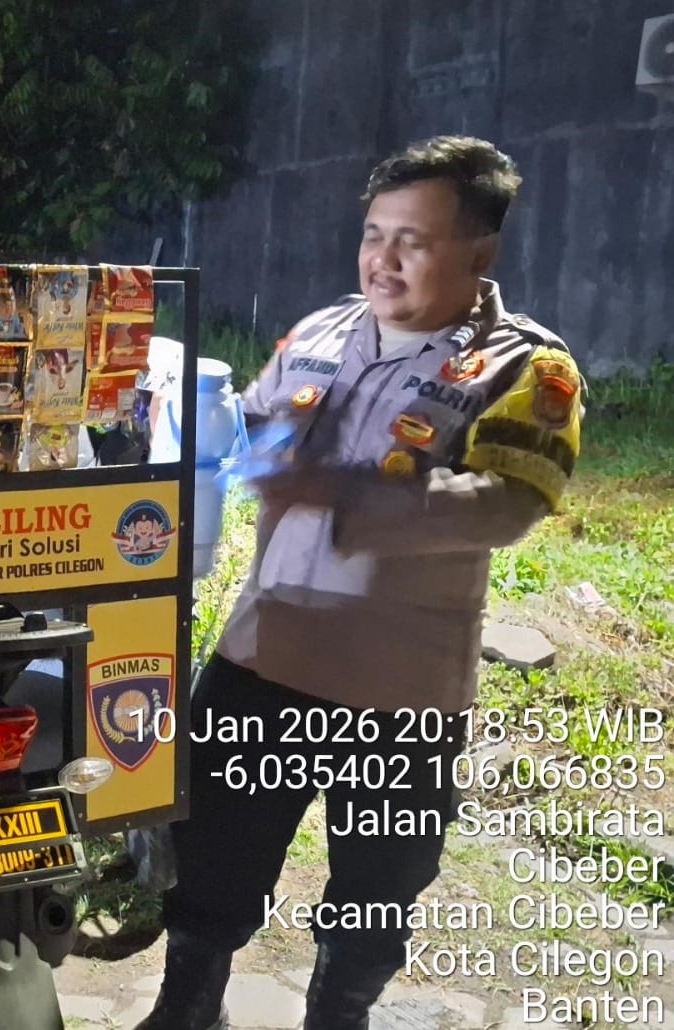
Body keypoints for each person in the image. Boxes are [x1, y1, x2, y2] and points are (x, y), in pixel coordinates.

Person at [136, 136, 585, 1030]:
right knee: (211, 852)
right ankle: (187, 1009)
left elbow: (508, 503)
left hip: (400, 689)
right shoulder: (318, 331)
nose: (383, 258)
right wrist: (199, 429)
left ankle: (337, 1015)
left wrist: (345, 495)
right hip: (263, 656)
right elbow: (248, 430)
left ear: (480, 251)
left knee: (377, 889)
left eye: (412, 240)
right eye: (374, 234)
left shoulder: (527, 368)